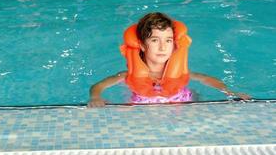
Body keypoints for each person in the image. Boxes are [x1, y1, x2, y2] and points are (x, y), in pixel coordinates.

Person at [88, 12, 250, 107]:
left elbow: (206, 79)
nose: (162, 47)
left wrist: (230, 92)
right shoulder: (127, 76)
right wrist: (96, 97)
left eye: (168, 40)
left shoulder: (180, 73)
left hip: (184, 107)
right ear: (142, 46)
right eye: (154, 40)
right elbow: (98, 86)